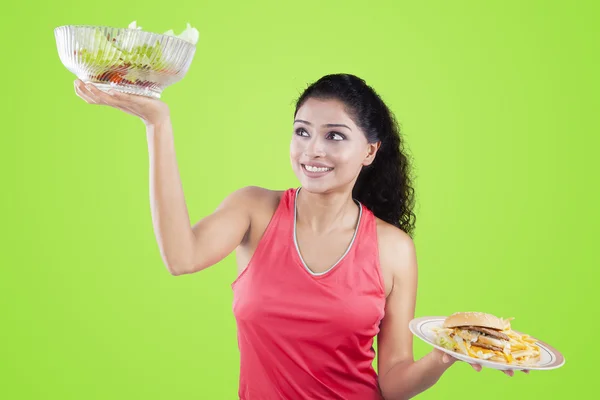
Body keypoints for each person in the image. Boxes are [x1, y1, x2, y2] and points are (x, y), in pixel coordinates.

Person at [74, 73, 527, 399]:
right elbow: (181, 256)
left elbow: (391, 380)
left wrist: (443, 356)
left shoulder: (393, 249)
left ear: (369, 151)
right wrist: (158, 124)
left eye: (334, 136)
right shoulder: (254, 209)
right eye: (302, 132)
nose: (313, 149)